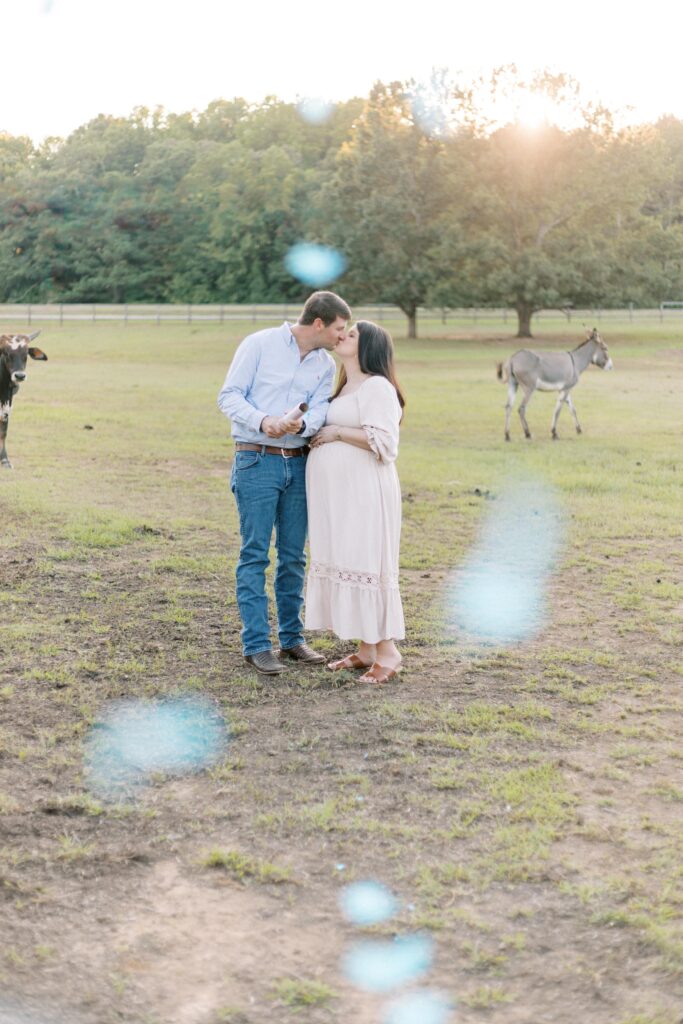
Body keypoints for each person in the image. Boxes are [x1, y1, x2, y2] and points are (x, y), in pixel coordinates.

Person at [217, 291, 352, 675]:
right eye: (340, 329)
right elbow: (228, 396)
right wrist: (265, 422)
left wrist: (301, 424)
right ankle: (257, 644)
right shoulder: (259, 344)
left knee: (294, 556)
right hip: (256, 459)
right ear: (320, 323)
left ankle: (292, 639)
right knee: (256, 553)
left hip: (300, 463)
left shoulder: (324, 365)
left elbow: (322, 407)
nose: (342, 337)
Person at [305, 320, 405, 683]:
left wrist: (337, 433)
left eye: (352, 334)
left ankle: (388, 652)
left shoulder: (378, 387)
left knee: (366, 560)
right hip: (339, 496)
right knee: (348, 557)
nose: (343, 335)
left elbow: (385, 442)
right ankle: (366, 650)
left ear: (368, 348)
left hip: (364, 491)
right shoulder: (346, 387)